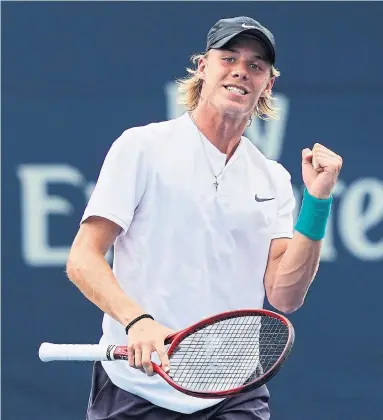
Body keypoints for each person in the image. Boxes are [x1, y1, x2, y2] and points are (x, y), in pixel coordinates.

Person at [66, 15, 343, 420]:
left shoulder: (274, 178)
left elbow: (285, 295)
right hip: (137, 387)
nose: (240, 72)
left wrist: (317, 201)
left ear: (268, 84)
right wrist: (137, 321)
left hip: (234, 393)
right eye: (228, 58)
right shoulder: (141, 148)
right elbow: (83, 258)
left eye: (255, 66)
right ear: (203, 67)